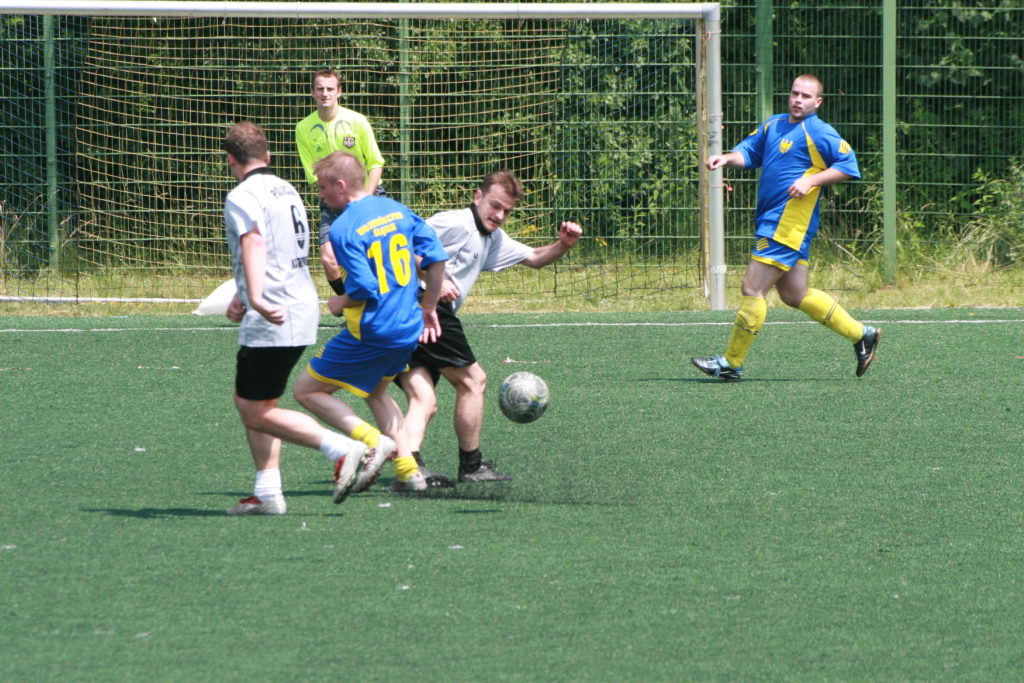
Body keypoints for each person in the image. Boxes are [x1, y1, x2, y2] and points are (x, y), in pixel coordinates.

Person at [220, 122, 374, 516]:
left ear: (231, 159)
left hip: (274, 309)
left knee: (254, 409)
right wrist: (242, 292)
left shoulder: (242, 195)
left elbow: (254, 241)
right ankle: (267, 491)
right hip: (299, 302)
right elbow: (279, 246)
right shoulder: (285, 188)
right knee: (259, 402)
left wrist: (255, 296)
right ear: (268, 155)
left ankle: (343, 448)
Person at [397, 170, 583, 487]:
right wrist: (433, 280)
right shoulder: (455, 222)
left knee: (423, 398)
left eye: (506, 211)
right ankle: (471, 466)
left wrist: (563, 245)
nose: (499, 215)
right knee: (474, 381)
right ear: (478, 197)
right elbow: (401, 246)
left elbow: (534, 257)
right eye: (495, 206)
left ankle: (409, 469)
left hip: (405, 313)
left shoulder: (492, 237)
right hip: (424, 307)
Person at [692, 74, 880, 381]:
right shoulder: (774, 124)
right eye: (795, 93)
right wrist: (725, 159)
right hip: (776, 221)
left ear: (818, 102)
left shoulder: (818, 131)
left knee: (753, 288)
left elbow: (848, 166)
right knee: (795, 294)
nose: (798, 100)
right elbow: (748, 154)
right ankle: (862, 335)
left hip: (787, 222)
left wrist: (811, 180)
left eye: (806, 96)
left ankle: (731, 364)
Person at [292, 151, 449, 498]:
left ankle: (372, 441)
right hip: (408, 328)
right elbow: (437, 260)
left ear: (341, 185)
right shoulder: (396, 209)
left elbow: (364, 287)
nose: (320, 196)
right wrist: (428, 306)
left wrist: (340, 301)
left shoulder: (343, 227)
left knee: (306, 391)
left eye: (322, 188)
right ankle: (409, 472)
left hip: (374, 330)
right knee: (377, 392)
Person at [295, 67, 386, 296]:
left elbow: (376, 163)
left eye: (330, 89)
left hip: (368, 197)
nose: (325, 93)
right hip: (333, 201)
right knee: (328, 259)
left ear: (339, 92)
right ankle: (348, 304)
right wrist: (337, 198)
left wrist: (364, 199)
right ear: (313, 92)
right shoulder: (303, 128)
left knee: (378, 256)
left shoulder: (357, 121)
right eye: (320, 89)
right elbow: (313, 175)